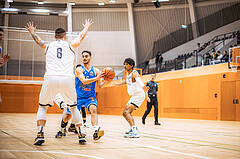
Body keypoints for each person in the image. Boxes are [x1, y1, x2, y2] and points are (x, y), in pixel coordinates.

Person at [26, 19, 94, 145]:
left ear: (54, 36)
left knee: (42, 107)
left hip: (51, 77)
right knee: (73, 108)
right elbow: (81, 36)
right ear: (65, 36)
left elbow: (37, 40)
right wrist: (86, 27)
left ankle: (40, 134)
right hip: (68, 78)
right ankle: (80, 134)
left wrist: (32, 32)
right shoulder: (70, 44)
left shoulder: (48, 45)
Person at [55, 50, 108, 140]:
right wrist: (97, 78)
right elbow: (83, 81)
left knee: (94, 109)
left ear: (90, 58)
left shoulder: (96, 71)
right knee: (67, 116)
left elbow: (100, 85)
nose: (84, 58)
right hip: (77, 97)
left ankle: (95, 131)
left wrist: (107, 80)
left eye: (86, 56)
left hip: (89, 97)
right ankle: (61, 129)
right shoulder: (79, 69)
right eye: (83, 56)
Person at [113, 58, 148, 138]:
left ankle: (135, 132)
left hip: (139, 95)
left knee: (126, 112)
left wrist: (144, 87)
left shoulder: (134, 73)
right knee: (125, 113)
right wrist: (118, 84)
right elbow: (126, 81)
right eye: (124, 64)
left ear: (131, 65)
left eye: (127, 64)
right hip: (134, 96)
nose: (125, 66)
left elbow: (139, 81)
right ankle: (133, 129)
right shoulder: (128, 74)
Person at [0, 28, 11, 104]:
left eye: (2, 35)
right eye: (0, 35)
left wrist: (4, 61)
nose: (1, 37)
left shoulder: (0, 48)